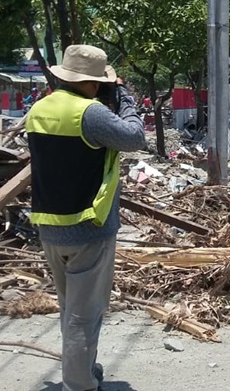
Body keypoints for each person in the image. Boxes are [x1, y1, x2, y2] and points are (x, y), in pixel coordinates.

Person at [26, 45, 146, 391]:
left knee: (69, 307)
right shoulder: (90, 114)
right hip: (87, 226)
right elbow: (134, 137)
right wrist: (124, 97)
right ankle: (78, 383)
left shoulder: (39, 109)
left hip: (49, 224)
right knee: (85, 313)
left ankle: (82, 369)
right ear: (94, 83)